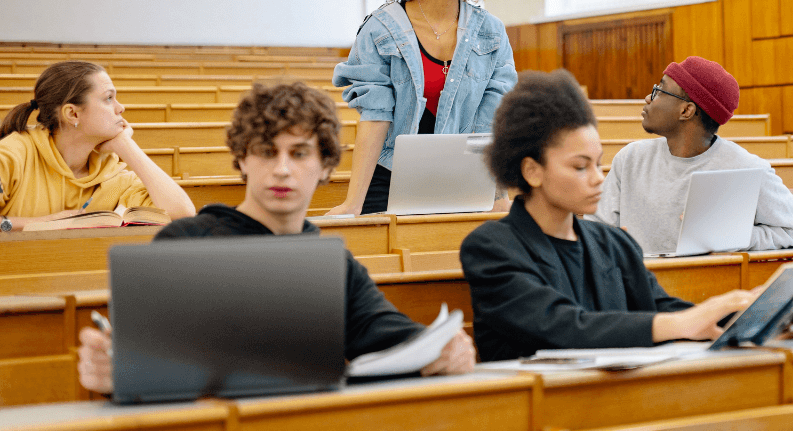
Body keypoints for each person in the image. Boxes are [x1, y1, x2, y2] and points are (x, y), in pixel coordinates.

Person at [77, 81, 475, 393]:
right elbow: (140, 357)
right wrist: (110, 368)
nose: (282, 169)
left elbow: (392, 333)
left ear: (324, 167)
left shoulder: (331, 263)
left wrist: (449, 347)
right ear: (242, 159)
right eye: (267, 152)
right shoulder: (188, 241)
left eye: (299, 154)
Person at [459, 70, 793, 362]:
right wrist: (686, 320)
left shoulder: (612, 243)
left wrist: (764, 319)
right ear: (532, 171)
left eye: (598, 164)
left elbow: (665, 309)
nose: (598, 178)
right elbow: (566, 327)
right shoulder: (491, 247)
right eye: (580, 167)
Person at [330, 0, 517, 215]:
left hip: (466, 175)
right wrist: (353, 203)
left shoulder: (491, 32)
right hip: (389, 175)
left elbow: (490, 124)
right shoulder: (380, 30)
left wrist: (498, 194)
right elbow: (375, 117)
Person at [587, 56, 793, 253]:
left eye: (659, 91)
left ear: (686, 111)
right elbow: (595, 232)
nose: (648, 98)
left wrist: (733, 237)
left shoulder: (748, 168)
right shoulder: (630, 159)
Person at [0, 61, 196, 231]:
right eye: (109, 98)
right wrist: (43, 223)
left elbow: (183, 215)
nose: (121, 108)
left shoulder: (112, 174)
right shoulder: (13, 154)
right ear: (73, 114)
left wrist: (127, 145)